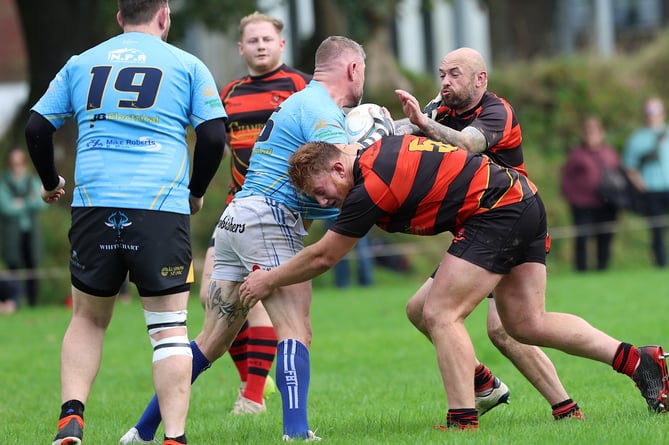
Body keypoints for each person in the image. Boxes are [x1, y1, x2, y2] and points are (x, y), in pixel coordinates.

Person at [240, 135, 669, 431]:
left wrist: (268, 281)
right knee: (526, 323)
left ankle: (462, 420)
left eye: (321, 190)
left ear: (338, 166)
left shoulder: (368, 186)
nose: (323, 201)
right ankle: (639, 361)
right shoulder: (372, 156)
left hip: (496, 210)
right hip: (521, 200)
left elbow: (324, 256)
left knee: (441, 313)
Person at [124, 35, 369, 443]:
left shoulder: (300, 101)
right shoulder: (322, 109)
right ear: (353, 69)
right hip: (270, 219)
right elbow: (347, 170)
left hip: (237, 218)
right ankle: (296, 433)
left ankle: (143, 431)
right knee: (295, 329)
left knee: (212, 340)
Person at [24, 1, 227, 444]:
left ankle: (70, 422)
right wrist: (195, 191)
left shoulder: (82, 63)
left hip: (95, 207)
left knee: (88, 318)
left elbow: (37, 128)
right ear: (165, 15)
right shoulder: (187, 64)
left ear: (119, 18)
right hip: (159, 208)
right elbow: (213, 136)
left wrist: (50, 180)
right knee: (169, 330)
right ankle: (174, 437)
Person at [393, 47, 580, 420]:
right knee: (421, 310)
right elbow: (402, 132)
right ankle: (486, 384)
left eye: (455, 74)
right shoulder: (440, 111)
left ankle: (567, 399)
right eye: (442, 74)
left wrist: (424, 124)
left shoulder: (496, 111)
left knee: (509, 328)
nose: (445, 81)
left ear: (481, 79)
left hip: (509, 220)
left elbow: (467, 144)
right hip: (480, 227)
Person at [561, 116, 621, 271]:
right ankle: (581, 270)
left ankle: (603, 268)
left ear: (601, 132)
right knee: (582, 238)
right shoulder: (577, 154)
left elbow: (619, 174)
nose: (591, 134)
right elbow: (566, 178)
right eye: (588, 131)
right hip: (583, 204)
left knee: (605, 237)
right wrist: (573, 198)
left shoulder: (610, 153)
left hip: (607, 204)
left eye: (594, 131)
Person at [623, 96, 669, 268]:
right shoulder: (637, 138)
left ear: (663, 113)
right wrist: (642, 185)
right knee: (657, 231)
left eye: (656, 111)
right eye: (649, 112)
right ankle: (661, 264)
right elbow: (630, 166)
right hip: (651, 190)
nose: (653, 116)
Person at [0, 147, 47, 307]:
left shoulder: (32, 180)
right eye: (14, 163)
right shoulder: (4, 182)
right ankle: (15, 302)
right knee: (13, 269)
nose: (17, 166)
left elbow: (42, 202)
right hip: (12, 234)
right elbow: (6, 207)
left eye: (20, 163)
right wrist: (30, 200)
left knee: (32, 267)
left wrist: (21, 202)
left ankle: (33, 303)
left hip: (31, 233)